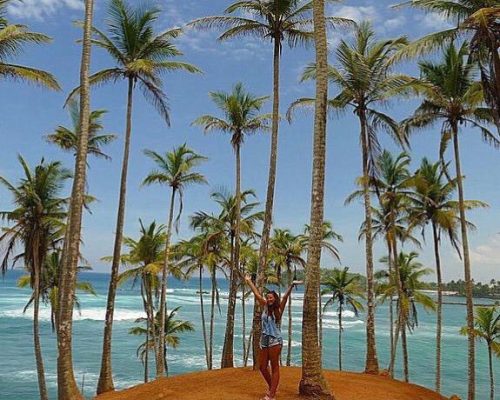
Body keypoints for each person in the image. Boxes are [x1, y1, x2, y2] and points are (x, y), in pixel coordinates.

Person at [244, 274, 302, 400]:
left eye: (271, 298)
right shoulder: (264, 306)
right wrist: (249, 281)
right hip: (264, 339)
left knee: (275, 367)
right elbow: (257, 295)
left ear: (275, 298)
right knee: (262, 367)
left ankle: (271, 395)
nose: (269, 299)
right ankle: (272, 389)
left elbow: (286, 297)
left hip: (275, 340)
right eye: (268, 297)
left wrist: (292, 285)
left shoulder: (279, 309)